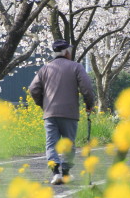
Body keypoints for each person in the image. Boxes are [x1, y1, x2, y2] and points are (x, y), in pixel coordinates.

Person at [29, 39, 95, 185]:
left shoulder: (45, 69)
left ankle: (55, 173)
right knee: (69, 143)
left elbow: (33, 89)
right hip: (69, 113)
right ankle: (65, 173)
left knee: (51, 143)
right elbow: (87, 88)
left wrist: (43, 104)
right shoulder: (76, 67)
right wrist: (89, 104)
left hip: (50, 113)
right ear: (66, 52)